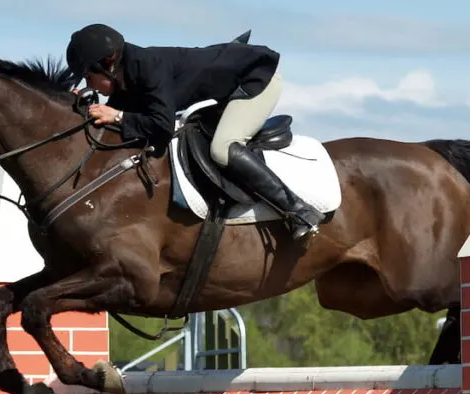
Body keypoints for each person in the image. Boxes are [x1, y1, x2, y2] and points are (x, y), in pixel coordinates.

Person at [65, 23, 323, 242]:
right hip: (228, 86)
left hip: (255, 79)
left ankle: (299, 211)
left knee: (223, 147)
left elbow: (161, 128)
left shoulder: (148, 67)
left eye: (88, 77)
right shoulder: (126, 77)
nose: (89, 85)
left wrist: (118, 115)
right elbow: (116, 125)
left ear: (108, 63)